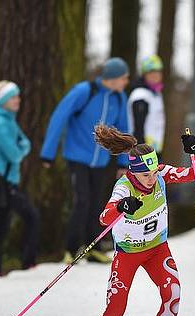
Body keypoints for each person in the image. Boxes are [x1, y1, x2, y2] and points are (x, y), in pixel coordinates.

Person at [62, 124, 195, 316]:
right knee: (116, 308)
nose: (152, 179)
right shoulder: (123, 186)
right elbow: (105, 218)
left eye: (154, 172)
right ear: (133, 173)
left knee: (173, 294)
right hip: (127, 255)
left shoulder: (160, 174)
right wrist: (122, 206)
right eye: (146, 175)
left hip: (157, 250)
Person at [40, 58, 131, 264]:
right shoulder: (84, 91)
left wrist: (123, 162)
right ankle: (70, 249)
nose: (126, 81)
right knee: (82, 201)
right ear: (113, 78)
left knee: (98, 203)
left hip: (101, 161)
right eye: (124, 77)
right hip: (77, 157)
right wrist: (48, 152)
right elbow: (59, 117)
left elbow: (124, 129)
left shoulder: (119, 97)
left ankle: (94, 248)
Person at [0, 81, 39, 277]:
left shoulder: (7, 120)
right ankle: (27, 263)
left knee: (1, 225)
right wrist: (21, 148)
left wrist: (22, 147)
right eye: (14, 97)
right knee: (30, 216)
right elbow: (15, 153)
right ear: (4, 100)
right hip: (1, 179)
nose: (18, 100)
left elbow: (26, 143)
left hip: (7, 179)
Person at [128, 54, 165, 160]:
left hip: (155, 149)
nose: (155, 75)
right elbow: (138, 127)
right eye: (151, 72)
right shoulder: (141, 95)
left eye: (158, 72)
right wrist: (141, 154)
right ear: (144, 74)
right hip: (144, 152)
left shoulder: (156, 93)